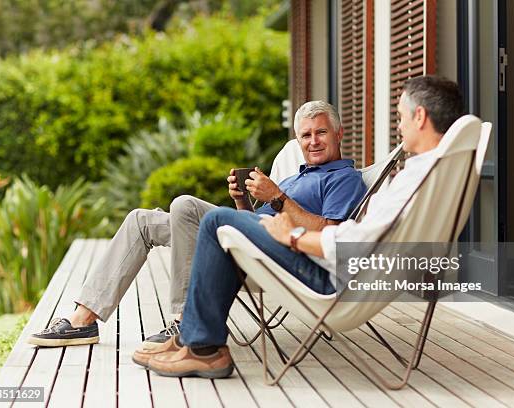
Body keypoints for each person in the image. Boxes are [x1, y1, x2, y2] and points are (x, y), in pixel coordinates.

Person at [133, 75, 464, 379]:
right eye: (306, 135)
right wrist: (255, 209)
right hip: (322, 262)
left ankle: (200, 345)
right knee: (210, 219)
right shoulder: (425, 177)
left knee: (215, 221)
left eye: (402, 116)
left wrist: (293, 234)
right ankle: (196, 341)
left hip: (328, 277)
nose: (399, 125)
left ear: (419, 117)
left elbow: (355, 242)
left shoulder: (404, 182)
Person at [29, 101, 367, 348]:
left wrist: (277, 197)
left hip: (280, 253)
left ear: (338, 133)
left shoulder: (344, 178)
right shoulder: (298, 175)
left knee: (184, 206)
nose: (313, 141)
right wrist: (241, 201)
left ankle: (184, 320)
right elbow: (259, 216)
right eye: (306, 135)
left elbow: (329, 232)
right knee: (141, 221)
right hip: (248, 237)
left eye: (321, 132)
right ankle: (83, 320)